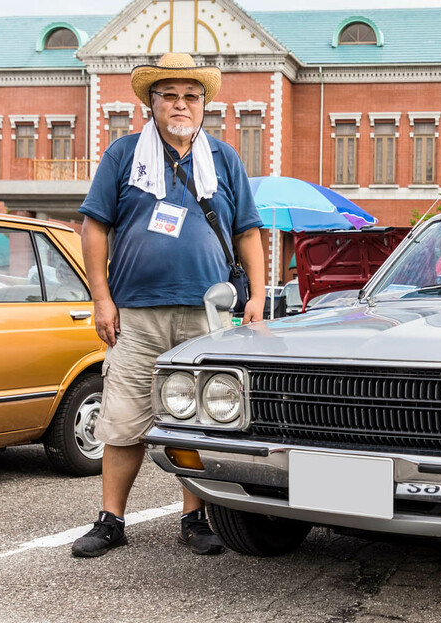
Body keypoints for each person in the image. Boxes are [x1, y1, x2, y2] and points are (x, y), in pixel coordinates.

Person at [72, 53, 265, 558]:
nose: (181, 105)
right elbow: (96, 226)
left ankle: (194, 517)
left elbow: (247, 230)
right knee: (123, 418)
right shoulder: (123, 154)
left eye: (191, 97)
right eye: (169, 96)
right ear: (151, 104)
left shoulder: (223, 158)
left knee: (201, 421)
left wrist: (260, 297)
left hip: (208, 314)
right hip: (135, 311)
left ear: (203, 105)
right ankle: (111, 519)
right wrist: (101, 299)